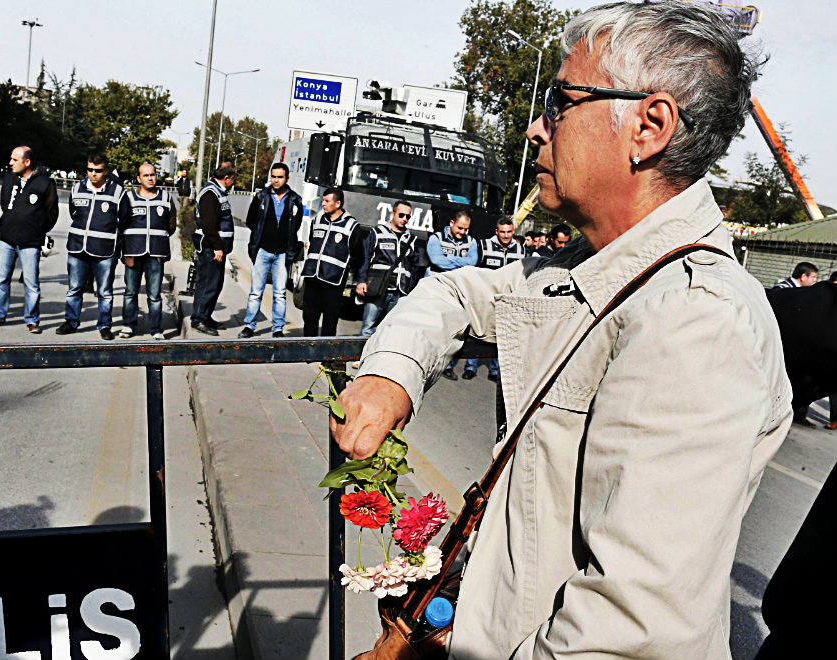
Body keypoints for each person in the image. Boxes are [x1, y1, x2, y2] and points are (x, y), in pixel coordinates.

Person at [332, 3, 790, 658]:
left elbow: (625, 634)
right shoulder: (596, 262)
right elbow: (456, 290)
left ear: (649, 126)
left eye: (560, 103)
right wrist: (391, 374)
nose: (534, 130)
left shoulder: (696, 320)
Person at [0, 146, 58, 333]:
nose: (10, 163)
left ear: (27, 162)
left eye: (14, 159)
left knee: (31, 283)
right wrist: (11, 221)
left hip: (30, 242)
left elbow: (52, 212)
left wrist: (37, 229)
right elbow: (5, 203)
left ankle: (32, 320)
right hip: (7, 238)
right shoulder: (9, 179)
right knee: (2, 280)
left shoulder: (45, 183)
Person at [57, 154, 124, 340]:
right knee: (74, 289)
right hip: (78, 248)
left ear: (106, 171)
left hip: (105, 250)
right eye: (90, 170)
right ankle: (71, 321)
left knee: (104, 292)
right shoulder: (77, 188)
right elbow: (74, 213)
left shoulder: (118, 192)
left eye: (98, 170)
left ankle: (104, 325)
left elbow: (123, 221)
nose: (93, 174)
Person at [239, 162, 303, 338]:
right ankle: (249, 326)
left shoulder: (295, 200)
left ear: (287, 178)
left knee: (280, 293)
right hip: (262, 251)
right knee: (256, 292)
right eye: (273, 176)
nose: (275, 180)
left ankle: (278, 329)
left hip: (283, 254)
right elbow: (251, 221)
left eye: (279, 177)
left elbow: (295, 226)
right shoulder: (261, 197)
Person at [118, 162, 176, 340]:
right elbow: (122, 224)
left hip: (156, 254)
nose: (150, 178)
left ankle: (156, 329)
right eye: (146, 175)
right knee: (130, 292)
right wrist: (125, 252)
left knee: (155, 295)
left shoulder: (166, 197)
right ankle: (128, 325)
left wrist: (159, 241)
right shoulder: (129, 197)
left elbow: (171, 225)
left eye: (153, 174)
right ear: (139, 178)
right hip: (133, 253)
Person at [299, 187, 365, 336]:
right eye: (323, 200)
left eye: (327, 201)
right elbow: (312, 240)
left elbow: (357, 255)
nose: (323, 204)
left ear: (338, 203)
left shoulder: (352, 226)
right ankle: (308, 346)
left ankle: (325, 349)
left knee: (330, 320)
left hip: (333, 281)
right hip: (312, 277)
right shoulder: (317, 219)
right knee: (309, 317)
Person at [467, 217, 526, 380]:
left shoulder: (521, 250)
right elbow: (475, 270)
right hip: (485, 298)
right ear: (496, 232)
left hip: (508, 301)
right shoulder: (484, 246)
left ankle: (494, 370)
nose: (506, 236)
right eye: (502, 232)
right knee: (477, 333)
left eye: (509, 232)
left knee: (501, 337)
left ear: (513, 231)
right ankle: (471, 367)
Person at [427, 212, 479, 380]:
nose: (463, 232)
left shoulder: (471, 242)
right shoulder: (436, 238)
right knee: (431, 327)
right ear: (451, 223)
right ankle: (426, 362)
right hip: (435, 289)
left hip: (457, 292)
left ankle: (446, 366)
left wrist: (448, 258)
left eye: (466, 229)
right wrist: (460, 261)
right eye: (460, 228)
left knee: (451, 330)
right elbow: (436, 260)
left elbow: (472, 262)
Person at [357, 199, 418, 338]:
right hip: (378, 288)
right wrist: (361, 280)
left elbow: (414, 266)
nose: (404, 219)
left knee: (392, 331)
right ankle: (363, 352)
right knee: (368, 327)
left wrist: (409, 287)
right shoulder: (378, 232)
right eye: (401, 215)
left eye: (408, 216)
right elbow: (365, 257)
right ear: (393, 214)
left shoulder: (411, 239)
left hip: (400, 292)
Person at [189, 164, 238, 336]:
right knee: (207, 285)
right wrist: (218, 247)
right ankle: (199, 319)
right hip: (211, 248)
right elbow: (209, 226)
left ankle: (206, 316)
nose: (234, 183)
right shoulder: (210, 194)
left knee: (215, 285)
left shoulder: (217, 191)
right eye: (233, 180)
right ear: (226, 178)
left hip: (216, 248)